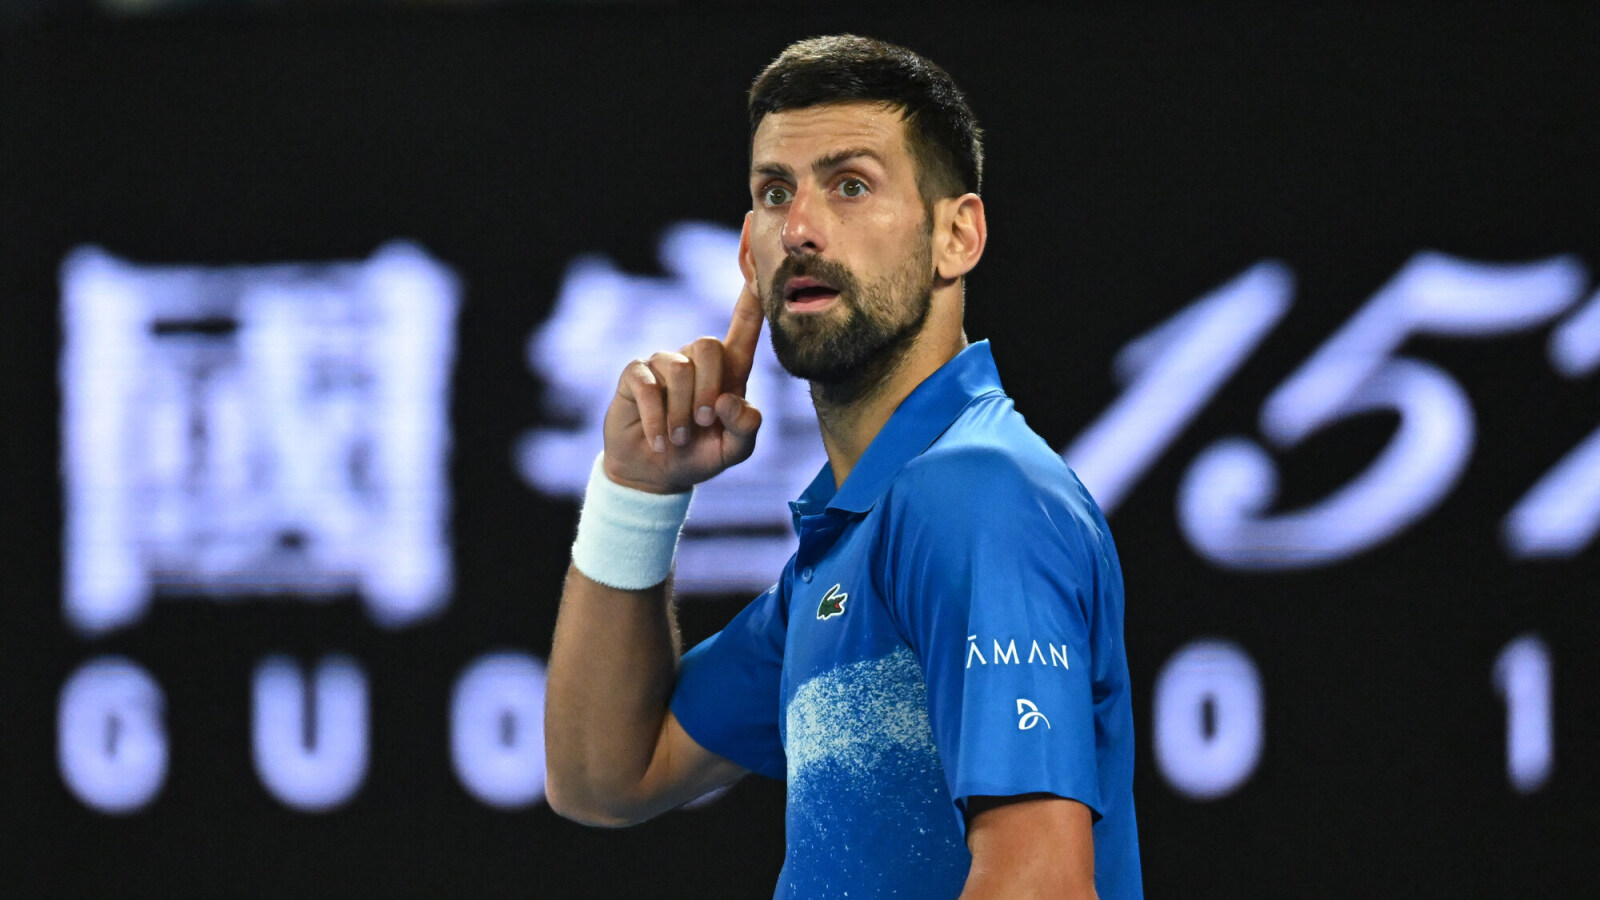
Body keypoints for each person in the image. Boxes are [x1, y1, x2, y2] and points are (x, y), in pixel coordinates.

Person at [544, 34, 1141, 900]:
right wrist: (636, 493)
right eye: (775, 194)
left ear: (956, 235)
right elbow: (605, 775)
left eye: (850, 185)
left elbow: (1037, 882)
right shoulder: (847, 549)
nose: (802, 228)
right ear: (749, 253)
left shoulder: (975, 493)